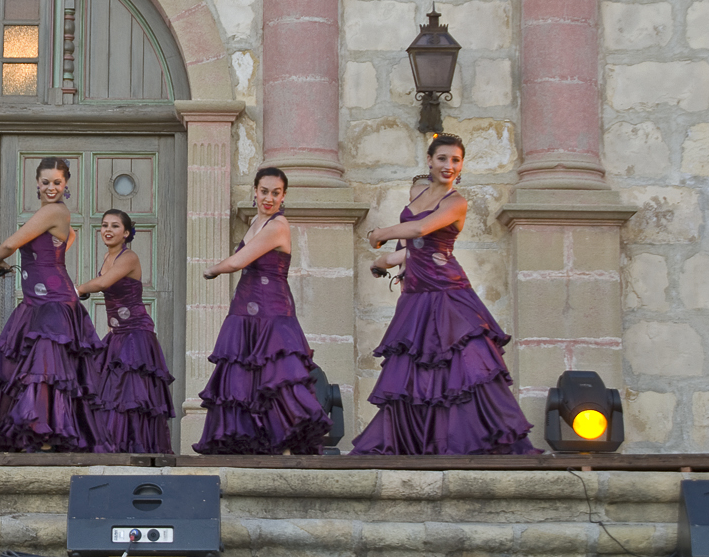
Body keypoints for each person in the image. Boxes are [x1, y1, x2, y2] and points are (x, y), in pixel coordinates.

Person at [351, 133, 538, 455]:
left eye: (455, 160)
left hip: (448, 291)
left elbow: (420, 230)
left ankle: (478, 441)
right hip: (417, 295)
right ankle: (415, 446)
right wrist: (385, 260)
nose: (449, 165)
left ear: (461, 165)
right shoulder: (420, 193)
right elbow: (414, 248)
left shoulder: (456, 202)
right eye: (442, 158)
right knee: (414, 371)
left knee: (467, 367)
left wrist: (380, 234)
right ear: (430, 160)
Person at [194, 166, 330, 455]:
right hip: (245, 311)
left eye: (276, 193)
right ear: (255, 192)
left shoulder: (278, 225)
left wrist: (210, 270)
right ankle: (251, 442)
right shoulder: (257, 220)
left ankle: (286, 444)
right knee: (243, 378)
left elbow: (237, 262)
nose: (269, 198)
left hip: (272, 311)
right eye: (264, 191)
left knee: (277, 377)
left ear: (283, 196)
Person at [0, 157, 103, 452]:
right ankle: (39, 438)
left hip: (52, 304)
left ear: (66, 185)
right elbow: (67, 239)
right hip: (41, 302)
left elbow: (11, 243)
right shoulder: (53, 214)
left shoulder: (54, 211)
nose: (51, 187)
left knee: (46, 371)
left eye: (57, 182)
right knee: (39, 370)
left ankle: (46, 439)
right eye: (45, 182)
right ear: (37, 183)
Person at [77, 210, 174, 454]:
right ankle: (112, 449)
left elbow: (102, 284)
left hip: (137, 335)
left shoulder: (128, 257)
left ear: (126, 233)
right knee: (107, 392)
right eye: (104, 225)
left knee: (130, 396)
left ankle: (134, 450)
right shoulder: (107, 257)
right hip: (118, 335)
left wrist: (74, 290)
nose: (108, 230)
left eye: (115, 226)